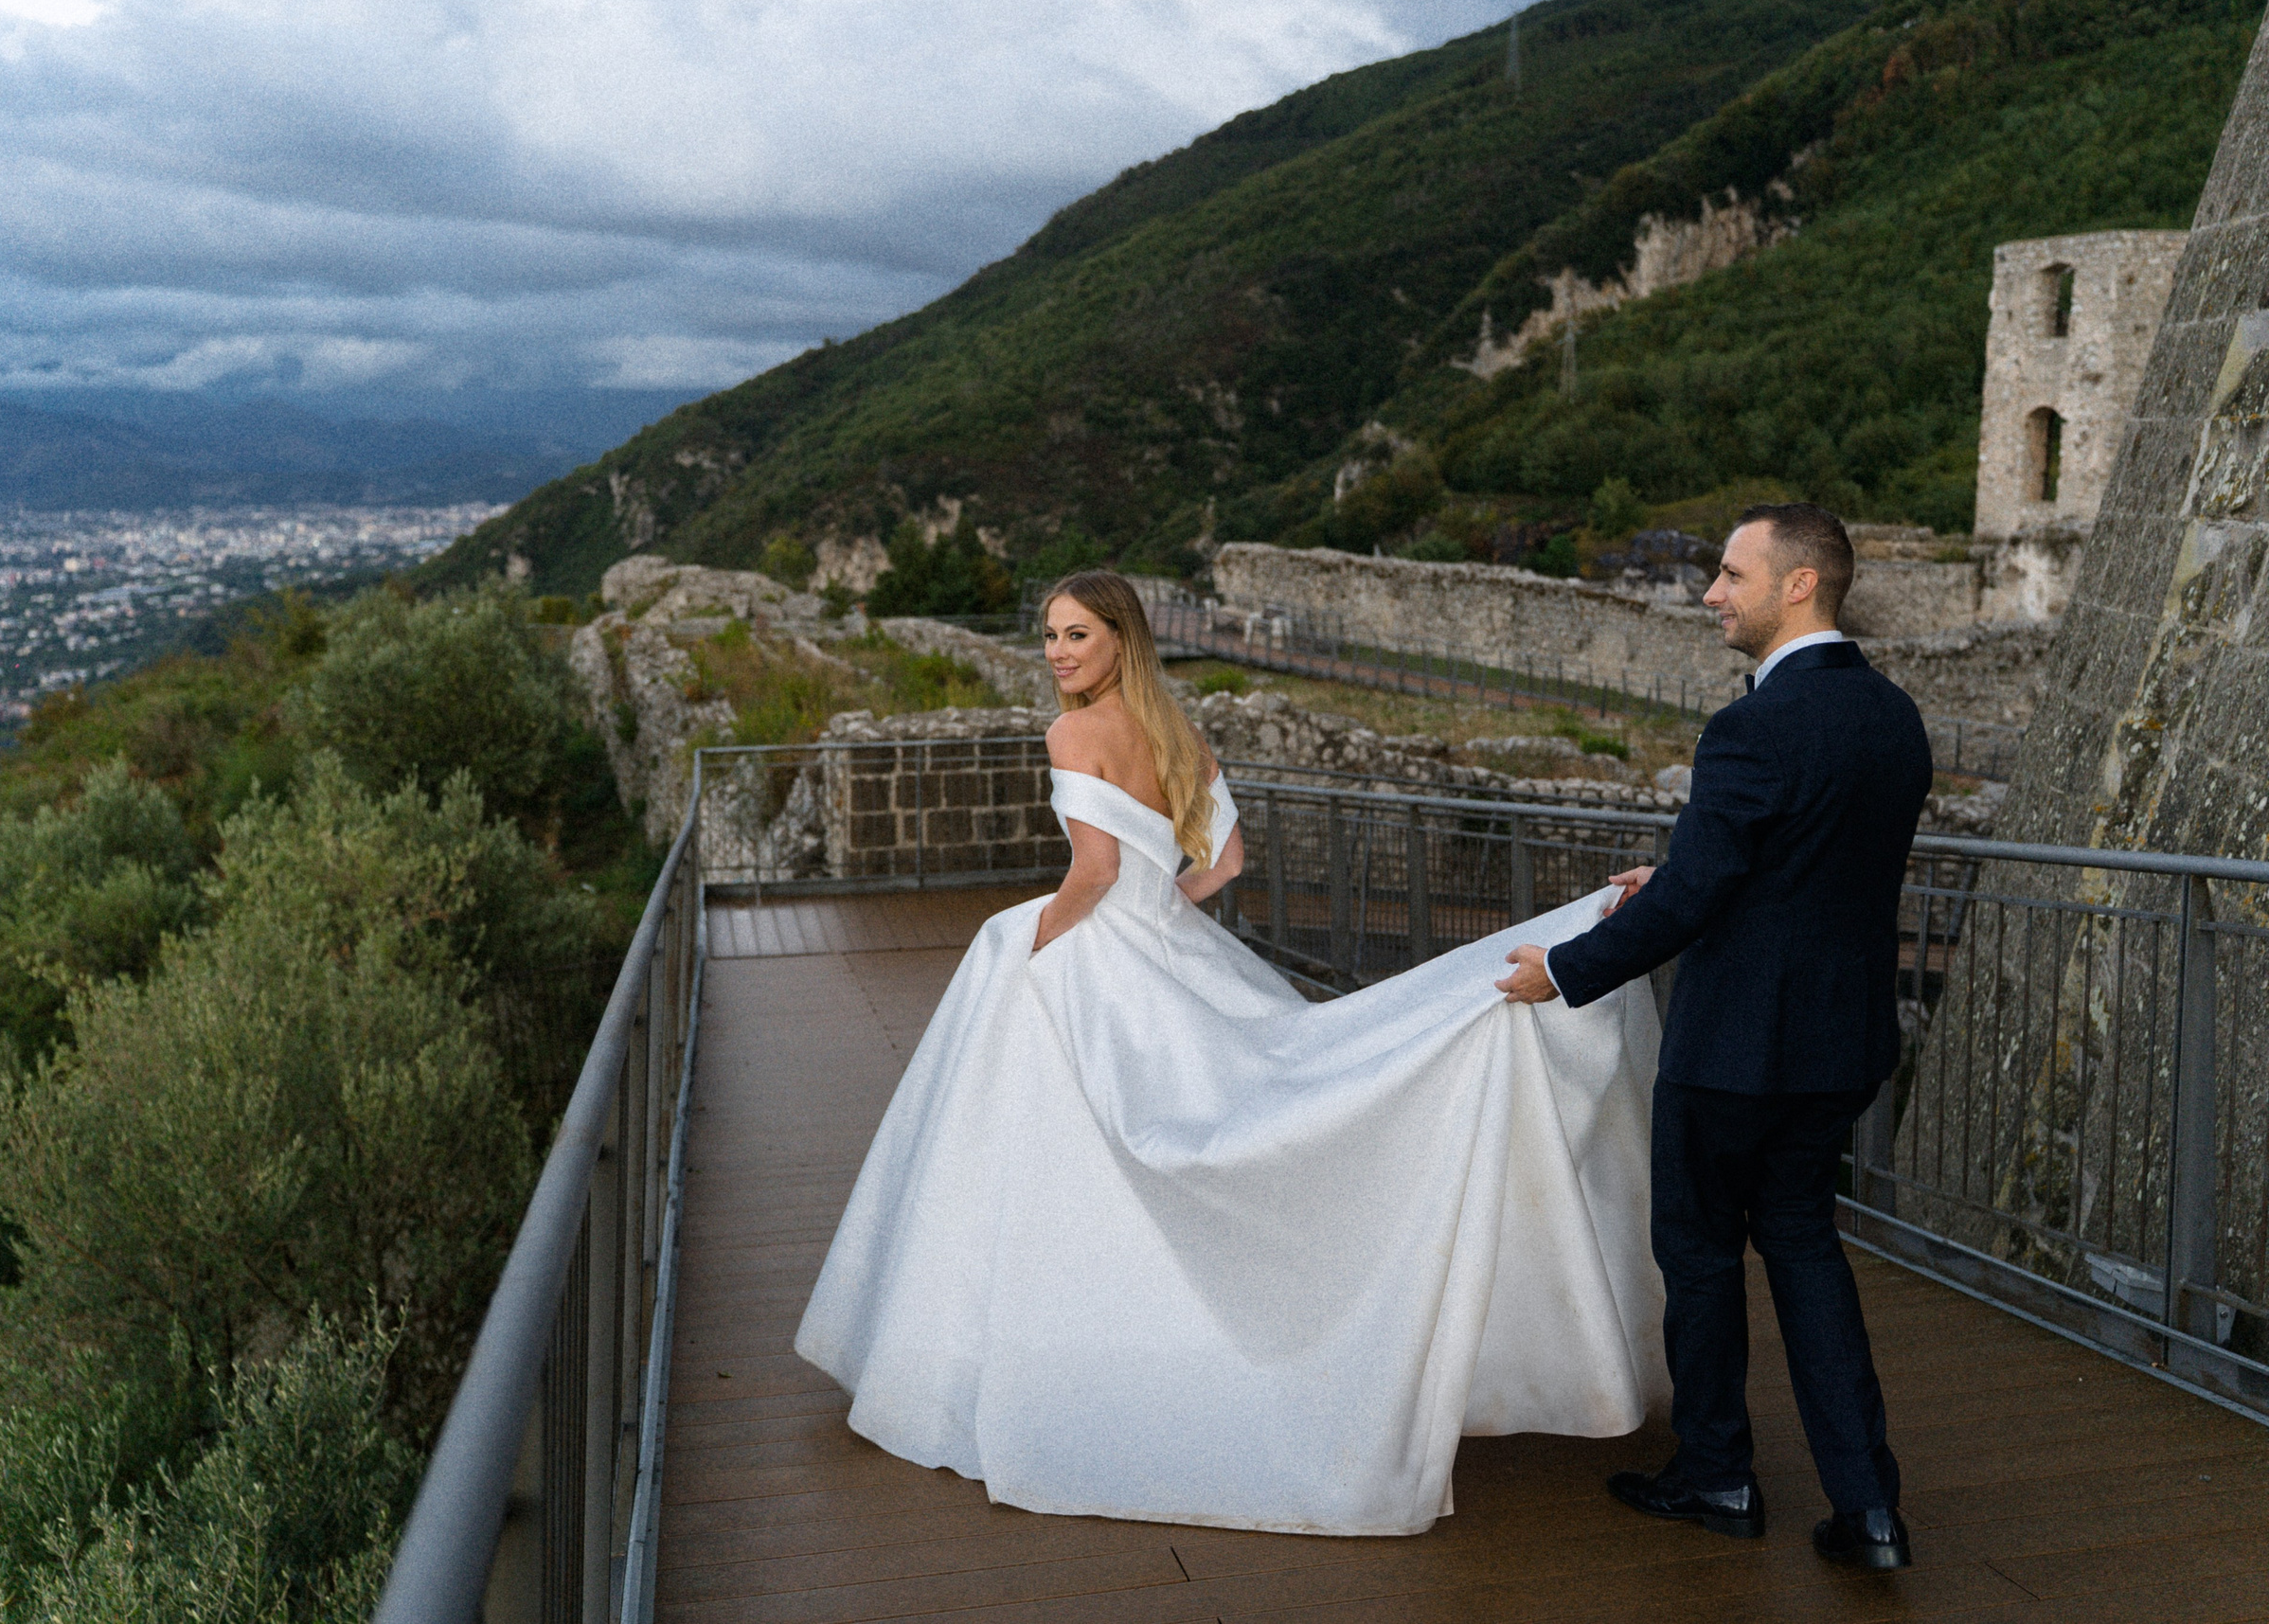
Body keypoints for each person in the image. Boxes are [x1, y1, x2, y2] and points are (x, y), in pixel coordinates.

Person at [795, 569, 1667, 1535]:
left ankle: (1051, 1343)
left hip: (1092, 952)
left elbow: (1092, 870)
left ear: (1119, 638)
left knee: (1047, 1150)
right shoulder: (1176, 731)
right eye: (1048, 634)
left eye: (1076, 634)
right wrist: (1161, 915)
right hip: (1165, 948)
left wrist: (1029, 943)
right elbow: (1227, 862)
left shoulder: (1070, 733)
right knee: (1231, 1106)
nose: (1057, 652)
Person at [1495, 503, 1932, 1572]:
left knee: (1697, 1256)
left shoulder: (1752, 726)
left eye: (1733, 573)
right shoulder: (1893, 717)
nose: (1711, 592)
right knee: (1805, 1245)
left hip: (1734, 1046)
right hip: (1841, 1042)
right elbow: (1803, 865)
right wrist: (1679, 869)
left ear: (1799, 584)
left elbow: (1701, 898)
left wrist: (1564, 969)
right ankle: (1869, 1508)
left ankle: (1717, 1473)